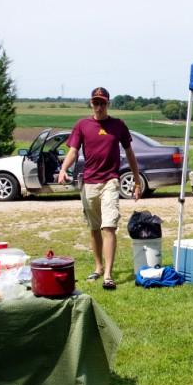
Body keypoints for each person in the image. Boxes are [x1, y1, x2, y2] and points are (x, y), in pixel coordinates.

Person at [58, 87, 142, 290]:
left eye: (102, 103)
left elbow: (130, 153)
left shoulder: (118, 125)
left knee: (109, 226)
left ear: (108, 104)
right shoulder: (82, 125)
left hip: (110, 181)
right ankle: (97, 267)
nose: (99, 106)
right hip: (89, 183)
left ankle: (108, 275)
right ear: (91, 103)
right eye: (96, 102)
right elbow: (73, 151)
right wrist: (63, 169)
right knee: (94, 229)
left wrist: (137, 181)